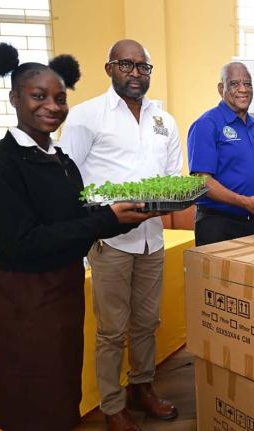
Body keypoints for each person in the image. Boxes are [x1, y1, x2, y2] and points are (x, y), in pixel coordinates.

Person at [0, 43, 157, 431]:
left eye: (60, 98)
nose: (52, 107)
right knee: (28, 395)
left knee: (60, 392)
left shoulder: (61, 160)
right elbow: (23, 244)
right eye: (39, 96)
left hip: (63, 291)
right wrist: (105, 219)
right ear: (14, 98)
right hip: (25, 300)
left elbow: (75, 219)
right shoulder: (0, 165)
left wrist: (122, 216)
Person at [59, 39, 183, 430]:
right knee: (112, 331)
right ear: (109, 67)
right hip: (110, 241)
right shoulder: (85, 116)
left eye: (143, 67)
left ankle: (141, 387)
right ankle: (113, 405)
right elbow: (66, 178)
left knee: (147, 323)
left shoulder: (164, 120)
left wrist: (170, 202)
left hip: (152, 238)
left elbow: (172, 180)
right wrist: (102, 215)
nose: (135, 73)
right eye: (126, 65)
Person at [187, 61, 254, 246]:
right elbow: (202, 181)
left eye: (247, 84)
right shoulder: (206, 125)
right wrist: (245, 202)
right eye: (234, 84)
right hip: (219, 225)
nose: (243, 89)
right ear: (221, 88)